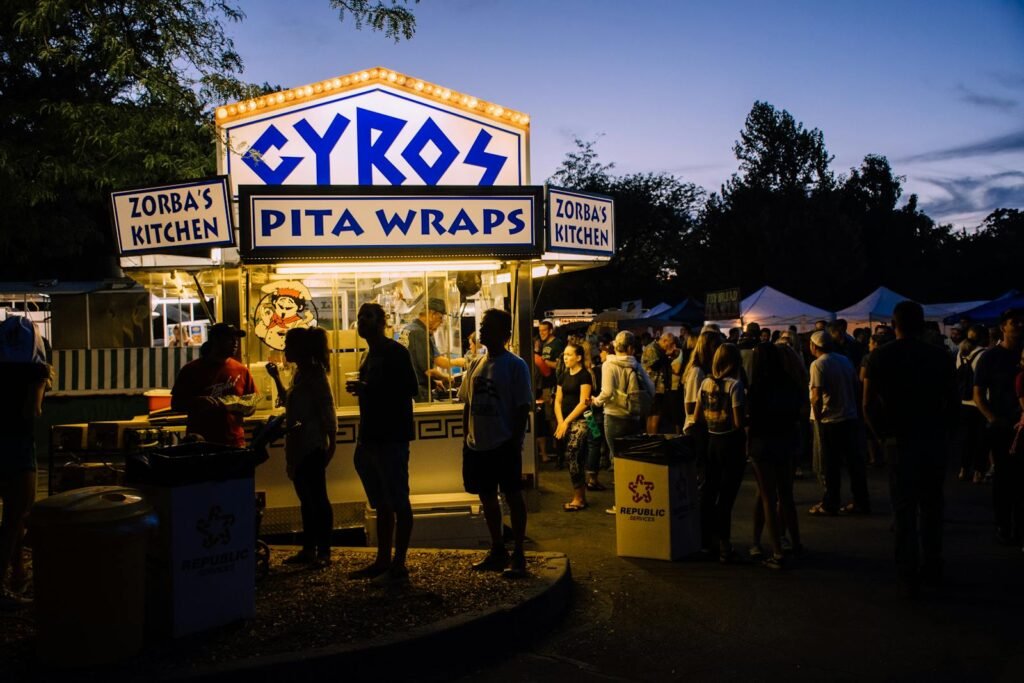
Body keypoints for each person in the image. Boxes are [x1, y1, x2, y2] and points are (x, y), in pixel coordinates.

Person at [864, 301, 957, 597]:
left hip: (899, 442)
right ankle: (933, 565)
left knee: (903, 510)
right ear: (922, 325)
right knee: (932, 507)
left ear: (894, 325)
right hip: (931, 439)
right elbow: (953, 404)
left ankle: (907, 573)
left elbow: (868, 405)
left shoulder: (879, 357)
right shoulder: (940, 357)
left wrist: (882, 436)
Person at [347, 303, 420, 584]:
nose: (361, 322)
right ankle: (382, 560)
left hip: (391, 436)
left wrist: (369, 390)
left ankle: (399, 564)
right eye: (359, 317)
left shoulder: (395, 352)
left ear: (381, 322)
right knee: (382, 503)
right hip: (371, 435)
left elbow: (410, 390)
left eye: (367, 317)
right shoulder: (370, 354)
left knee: (398, 500)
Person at [459, 308, 532, 578]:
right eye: (482, 325)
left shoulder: (516, 365)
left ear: (504, 333)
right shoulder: (476, 363)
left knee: (513, 496)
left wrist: (515, 441)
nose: (482, 330)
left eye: (488, 326)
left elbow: (522, 407)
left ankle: (519, 554)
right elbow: (467, 402)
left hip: (503, 442)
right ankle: (498, 549)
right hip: (477, 443)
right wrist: (466, 436)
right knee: (487, 497)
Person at [274, 328, 336, 568]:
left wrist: (331, 442)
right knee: (307, 498)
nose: (285, 349)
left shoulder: (315, 375)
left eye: (288, 345)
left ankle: (323, 551)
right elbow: (289, 401)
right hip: (299, 444)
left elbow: (327, 409)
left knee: (317, 497)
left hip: (312, 444)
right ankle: (310, 549)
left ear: (301, 348)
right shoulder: (301, 374)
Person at [0, 317, 50, 609]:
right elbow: (34, 410)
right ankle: (5, 581)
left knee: (10, 518)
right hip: (18, 447)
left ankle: (17, 571)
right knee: (17, 516)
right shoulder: (36, 372)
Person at [747, 343, 804, 569]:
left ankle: (777, 552)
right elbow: (797, 412)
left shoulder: (757, 387)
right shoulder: (789, 383)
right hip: (786, 440)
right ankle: (796, 543)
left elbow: (753, 421)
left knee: (768, 497)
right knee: (786, 495)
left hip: (764, 445)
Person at [973, 308, 1024, 546]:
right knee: (1004, 478)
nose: (1020, 326)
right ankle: (1003, 524)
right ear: (1003, 327)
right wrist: (993, 419)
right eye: (1015, 322)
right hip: (1003, 426)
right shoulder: (990, 357)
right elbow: (978, 394)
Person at [693, 343, 747, 563]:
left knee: (709, 492)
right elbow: (738, 422)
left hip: (711, 441)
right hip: (730, 444)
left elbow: (696, 417)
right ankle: (724, 544)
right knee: (726, 495)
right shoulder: (735, 386)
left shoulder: (705, 382)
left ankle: (706, 541)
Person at [591, 331, 655, 515]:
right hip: (633, 417)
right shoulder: (635, 365)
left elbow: (607, 391)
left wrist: (596, 401)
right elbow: (650, 388)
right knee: (632, 461)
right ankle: (633, 501)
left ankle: (621, 504)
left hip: (613, 416)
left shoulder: (608, 365)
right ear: (631, 348)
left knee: (617, 461)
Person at [807, 330, 870, 516]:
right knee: (854, 464)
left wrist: (817, 418)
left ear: (814, 346)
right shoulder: (844, 360)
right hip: (849, 417)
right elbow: (855, 385)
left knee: (831, 466)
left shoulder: (818, 364)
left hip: (830, 420)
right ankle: (861, 500)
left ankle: (830, 503)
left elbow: (816, 396)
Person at [171, 323, 258, 447]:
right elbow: (176, 404)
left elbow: (253, 405)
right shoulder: (191, 370)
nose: (235, 343)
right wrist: (197, 402)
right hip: (201, 445)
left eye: (236, 339)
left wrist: (241, 406)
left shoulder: (242, 370)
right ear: (215, 341)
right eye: (230, 339)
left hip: (234, 443)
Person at [400, 297, 465, 403]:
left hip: (408, 391)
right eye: (440, 318)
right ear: (431, 314)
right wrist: (447, 377)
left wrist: (434, 383)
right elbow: (429, 371)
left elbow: (416, 367)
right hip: (419, 393)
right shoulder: (420, 333)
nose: (440, 323)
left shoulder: (408, 329)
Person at [556, 343, 594, 511]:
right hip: (565, 422)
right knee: (571, 457)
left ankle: (579, 498)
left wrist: (566, 421)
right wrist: (560, 421)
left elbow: (583, 403)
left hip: (582, 421)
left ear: (578, 357)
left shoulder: (584, 375)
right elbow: (557, 400)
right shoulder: (563, 375)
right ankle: (580, 496)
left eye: (569, 354)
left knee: (574, 455)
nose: (565, 357)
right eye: (564, 354)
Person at [955, 325, 989, 484]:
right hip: (980, 403)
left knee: (966, 438)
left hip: (964, 402)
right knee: (981, 438)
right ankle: (978, 471)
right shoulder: (984, 354)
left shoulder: (960, 353)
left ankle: (963, 469)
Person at [533, 319, 565, 462]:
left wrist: (544, 362)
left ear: (550, 330)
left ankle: (558, 445)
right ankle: (554, 445)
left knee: (552, 415)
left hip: (552, 384)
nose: (541, 333)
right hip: (543, 385)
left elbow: (560, 364)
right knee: (547, 416)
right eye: (540, 331)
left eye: (544, 330)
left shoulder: (557, 343)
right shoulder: (542, 344)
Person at [642, 332, 678, 434]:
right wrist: (667, 355)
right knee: (654, 416)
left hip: (655, 387)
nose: (670, 347)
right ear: (664, 341)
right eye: (670, 344)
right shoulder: (652, 349)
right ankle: (653, 440)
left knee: (652, 415)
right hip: (654, 387)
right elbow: (653, 366)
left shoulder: (656, 349)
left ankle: (650, 439)